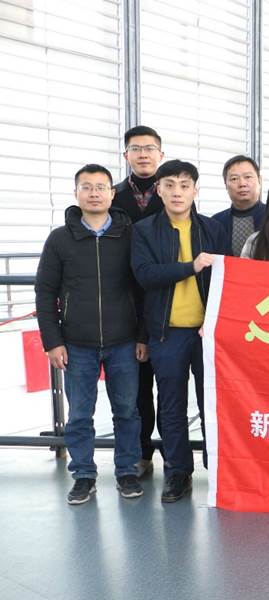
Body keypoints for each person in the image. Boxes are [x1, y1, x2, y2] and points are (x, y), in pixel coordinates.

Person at [35, 164, 146, 504]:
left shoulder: (130, 235)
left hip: (124, 341)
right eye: (87, 187)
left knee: (127, 411)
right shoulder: (60, 239)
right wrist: (52, 342)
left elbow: (143, 289)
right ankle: (83, 475)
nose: (94, 193)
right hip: (76, 343)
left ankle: (127, 470)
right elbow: (45, 292)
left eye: (101, 187)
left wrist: (142, 335)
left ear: (112, 194)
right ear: (76, 194)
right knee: (80, 415)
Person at [131, 159, 230, 503]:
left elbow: (226, 279)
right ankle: (177, 471)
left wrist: (216, 320)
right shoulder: (144, 230)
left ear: (195, 190)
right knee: (170, 405)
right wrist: (190, 266)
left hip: (207, 333)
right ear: (158, 189)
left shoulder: (212, 229)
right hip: (166, 333)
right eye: (170, 185)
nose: (177, 192)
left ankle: (215, 467)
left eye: (185, 185)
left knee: (212, 402)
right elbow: (145, 275)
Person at [112, 125, 166, 477]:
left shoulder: (173, 191)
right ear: (126, 155)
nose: (143, 154)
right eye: (136, 148)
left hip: (166, 296)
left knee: (172, 387)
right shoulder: (113, 196)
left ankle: (176, 457)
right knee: (137, 388)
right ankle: (141, 453)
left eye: (149, 148)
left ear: (161, 154)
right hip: (126, 302)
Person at [212, 155, 266, 256]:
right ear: (225, 184)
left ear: (260, 180)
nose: (242, 184)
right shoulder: (215, 223)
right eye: (234, 179)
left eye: (248, 177)